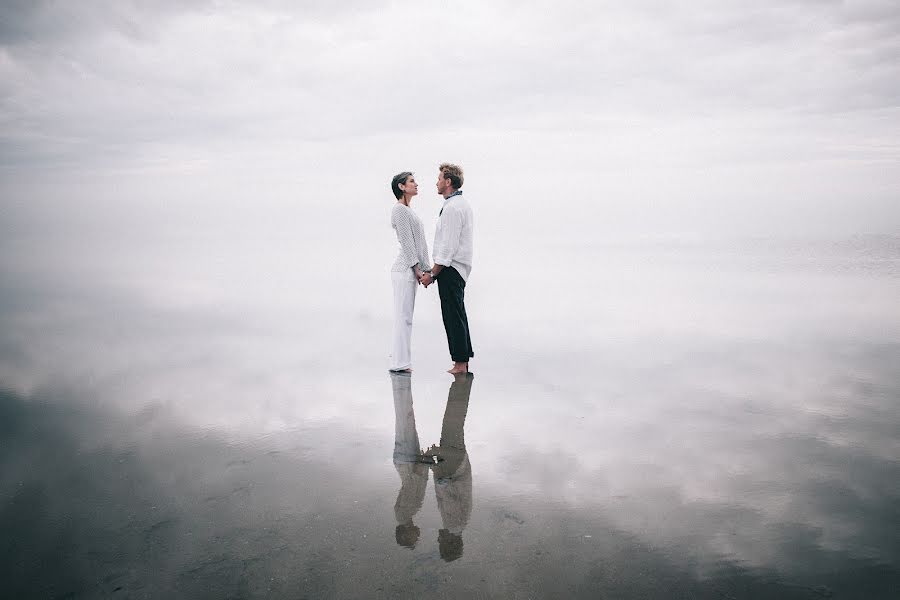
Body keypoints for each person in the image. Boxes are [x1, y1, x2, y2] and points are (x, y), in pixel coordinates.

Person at [419, 163, 474, 374]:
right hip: (456, 268)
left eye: (440, 178)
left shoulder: (453, 208)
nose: (437, 182)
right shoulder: (459, 204)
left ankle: (460, 363)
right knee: (457, 313)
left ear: (448, 181)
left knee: (453, 315)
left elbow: (448, 247)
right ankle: (462, 360)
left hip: (451, 269)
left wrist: (432, 273)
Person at [389, 172, 431, 373]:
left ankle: (400, 361)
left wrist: (426, 269)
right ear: (401, 186)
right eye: (412, 181)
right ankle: (400, 363)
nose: (416, 184)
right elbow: (407, 243)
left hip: (409, 269)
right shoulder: (399, 210)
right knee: (403, 317)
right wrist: (417, 269)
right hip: (404, 269)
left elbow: (419, 244)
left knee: (405, 316)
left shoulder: (408, 210)